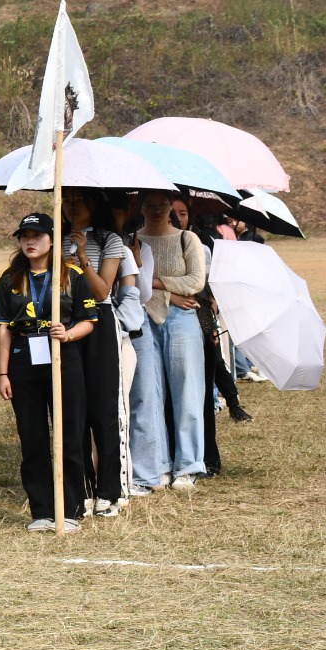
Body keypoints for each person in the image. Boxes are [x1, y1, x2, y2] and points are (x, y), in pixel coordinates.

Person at [0, 212, 98, 533]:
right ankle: (41, 509)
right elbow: (4, 332)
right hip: (25, 361)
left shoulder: (71, 275)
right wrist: (3, 374)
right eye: (24, 236)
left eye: (36, 236)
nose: (29, 242)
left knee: (68, 435)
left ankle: (71, 508)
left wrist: (68, 333)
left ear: (51, 240)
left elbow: (89, 321)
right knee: (32, 437)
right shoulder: (9, 278)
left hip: (64, 359)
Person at [131, 191, 208, 494]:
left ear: (172, 208)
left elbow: (196, 283)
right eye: (150, 205)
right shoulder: (133, 240)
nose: (156, 210)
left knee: (187, 391)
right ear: (142, 208)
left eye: (162, 205)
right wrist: (170, 294)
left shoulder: (187, 239)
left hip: (182, 320)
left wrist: (157, 284)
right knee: (149, 393)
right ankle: (158, 464)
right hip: (144, 317)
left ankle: (188, 464)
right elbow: (130, 279)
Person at [60, 188, 127, 517]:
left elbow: (103, 290)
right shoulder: (55, 240)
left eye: (79, 201)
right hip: (68, 323)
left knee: (102, 410)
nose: (71, 206)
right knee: (75, 410)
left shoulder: (109, 240)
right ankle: (82, 488)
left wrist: (83, 259)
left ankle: (109, 492)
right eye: (67, 200)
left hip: (100, 325)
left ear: (93, 205)